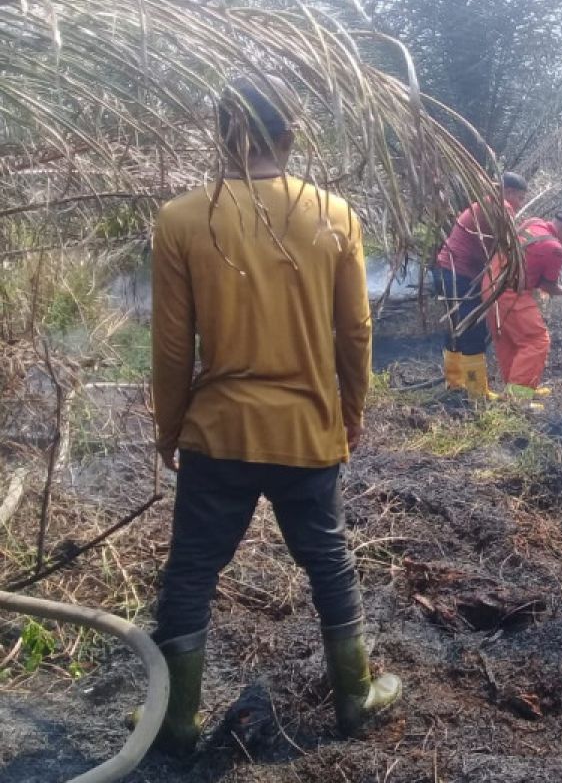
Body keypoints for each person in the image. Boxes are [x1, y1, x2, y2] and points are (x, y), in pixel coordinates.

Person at [148, 76, 399, 755]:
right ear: (290, 135)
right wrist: (350, 410)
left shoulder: (181, 220)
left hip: (217, 432)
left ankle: (174, 723)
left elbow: (173, 346)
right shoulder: (334, 215)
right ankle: (355, 698)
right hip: (306, 431)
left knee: (193, 571)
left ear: (222, 132)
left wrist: (168, 428)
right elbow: (356, 330)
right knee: (329, 562)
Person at [434, 171, 528, 399]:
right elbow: (511, 246)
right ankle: (477, 392)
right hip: (459, 275)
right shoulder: (501, 206)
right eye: (521, 198)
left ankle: (455, 382)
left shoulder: (485, 204)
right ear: (510, 192)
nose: (520, 204)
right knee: (472, 329)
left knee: (457, 327)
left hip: (446, 271)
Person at [485, 210, 562, 407]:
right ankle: (519, 400)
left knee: (509, 340)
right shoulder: (554, 248)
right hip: (509, 293)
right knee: (537, 341)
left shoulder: (532, 222)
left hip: (489, 285)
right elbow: (548, 286)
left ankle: (517, 387)